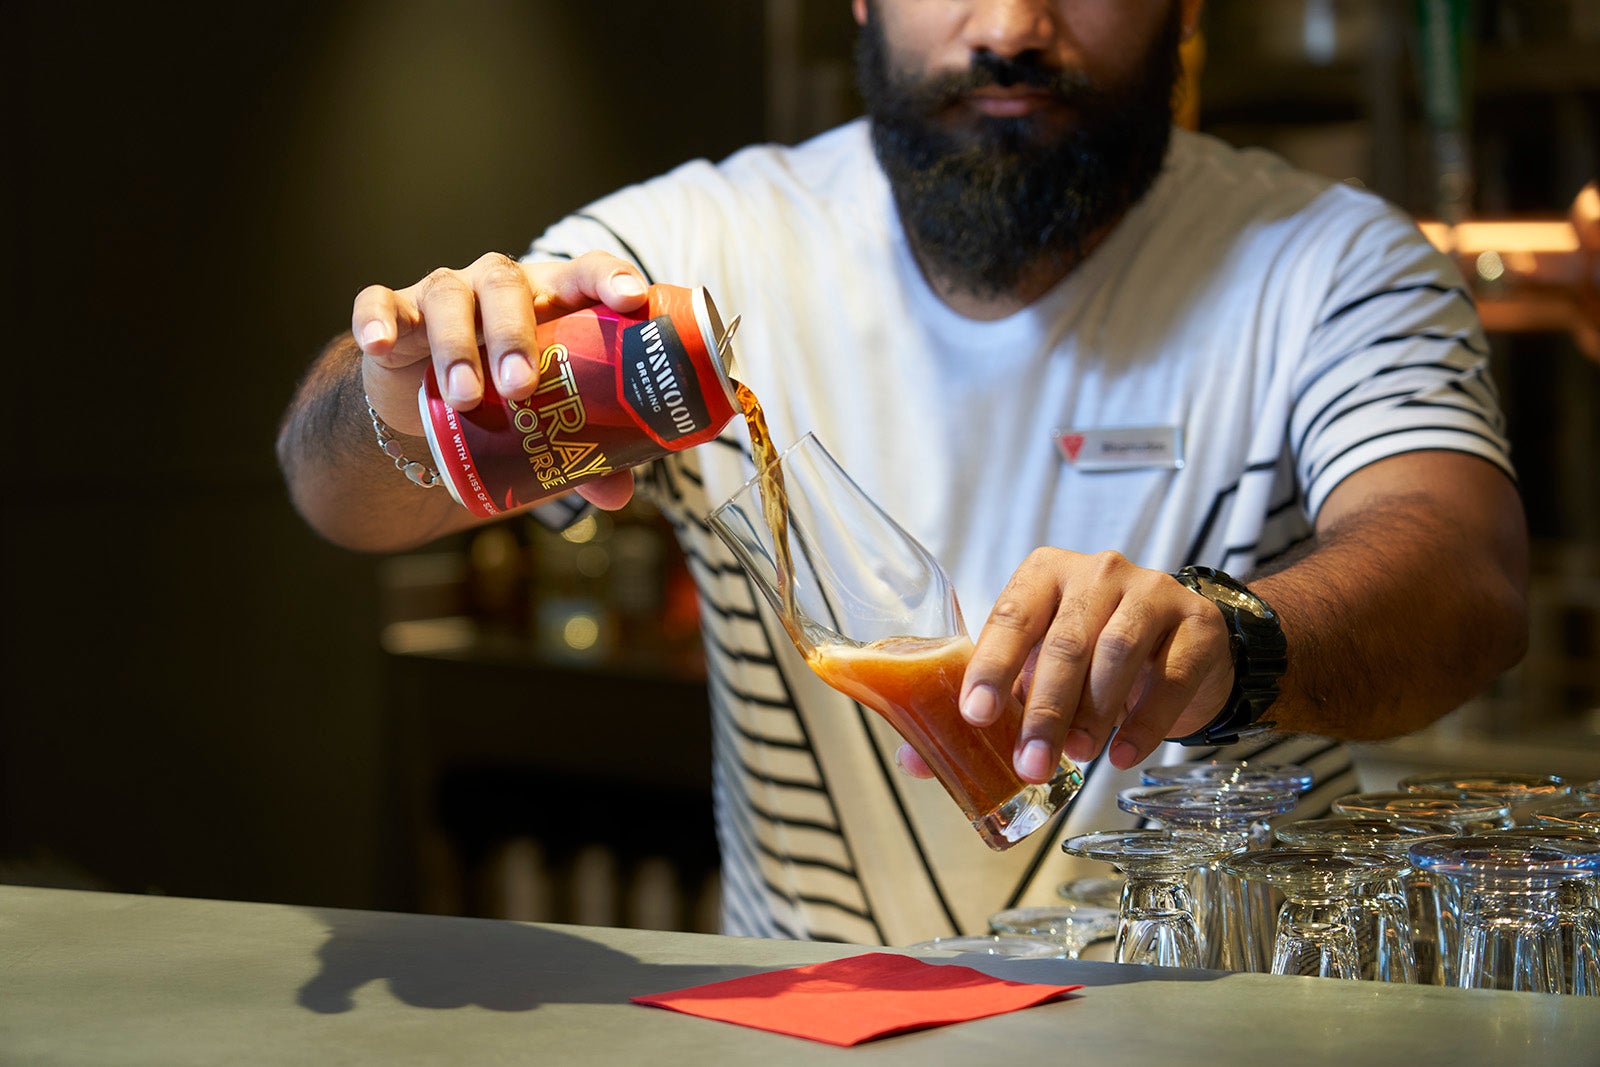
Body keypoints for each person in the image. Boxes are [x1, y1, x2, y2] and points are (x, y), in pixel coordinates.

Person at [278, 0, 1529, 946]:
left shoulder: (1327, 261)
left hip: (1218, 1023)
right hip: (805, 1023)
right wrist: (404, 388)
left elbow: (1461, 573)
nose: (1011, 28)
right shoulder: (697, 251)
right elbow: (336, 492)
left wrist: (1229, 635)